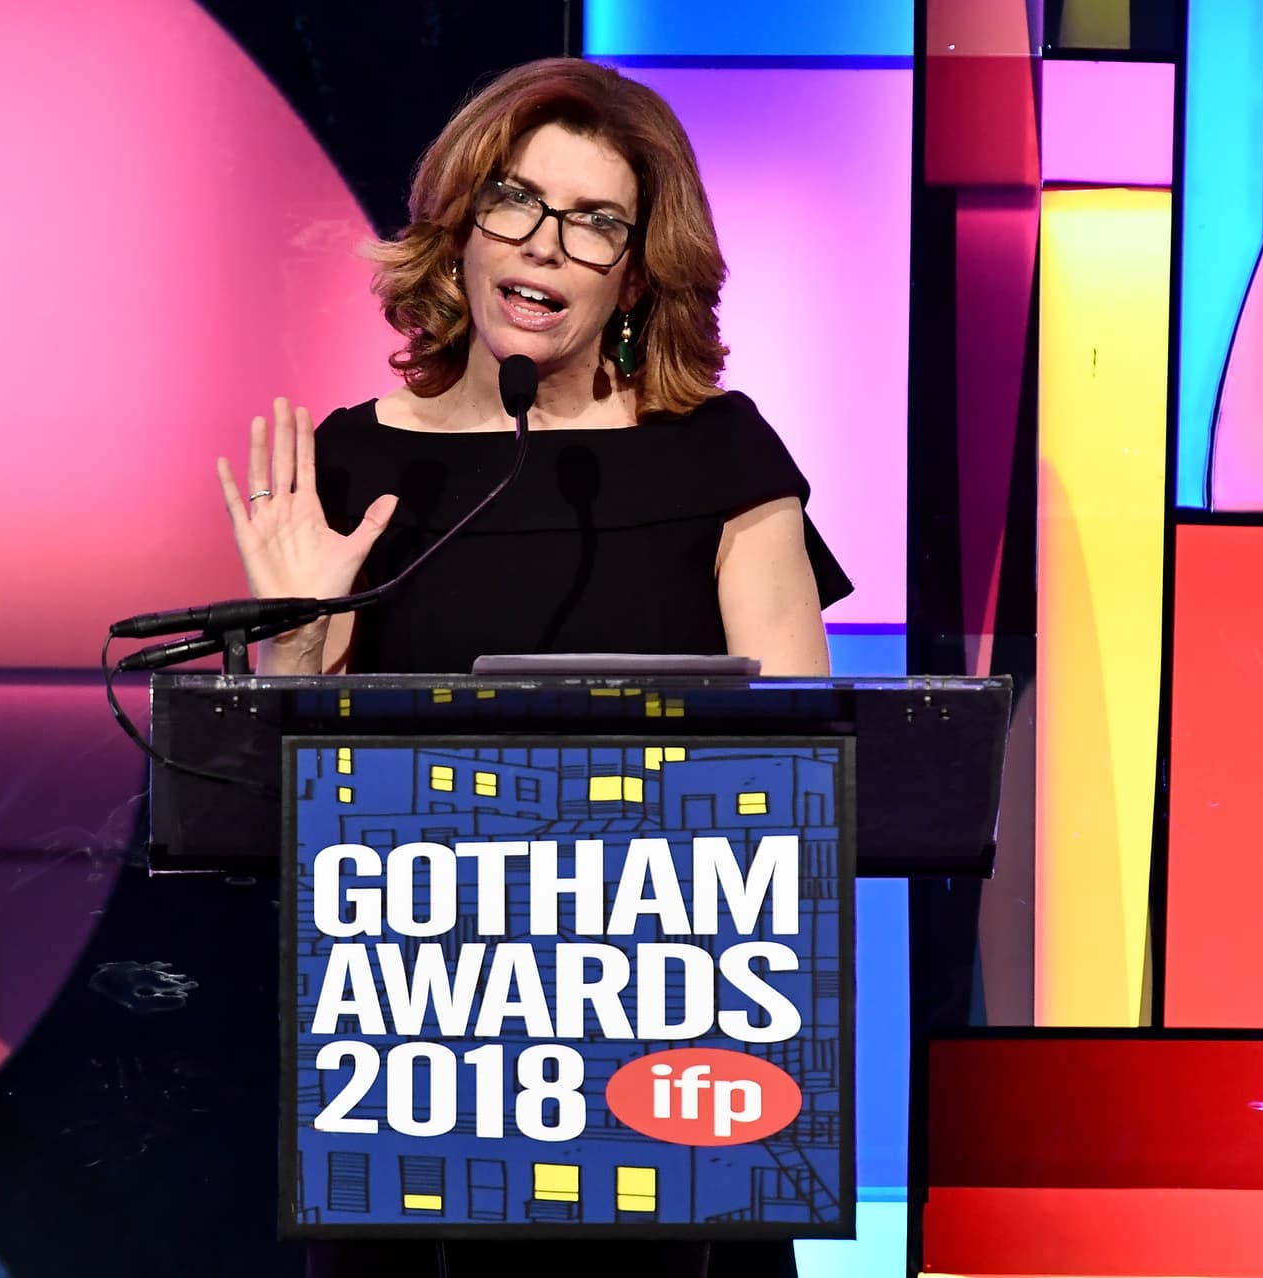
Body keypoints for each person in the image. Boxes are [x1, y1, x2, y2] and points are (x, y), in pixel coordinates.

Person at [214, 57, 851, 1278]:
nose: (546, 244)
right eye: (514, 200)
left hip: (674, 1055)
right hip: (428, 1063)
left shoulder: (721, 455)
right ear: (460, 228)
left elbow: (799, 779)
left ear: (635, 271)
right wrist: (293, 630)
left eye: (595, 221)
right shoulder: (346, 472)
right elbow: (272, 811)